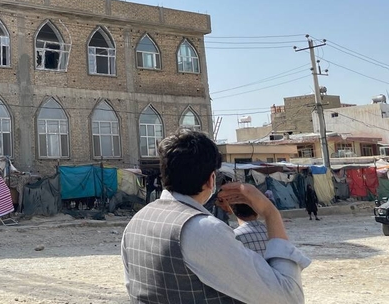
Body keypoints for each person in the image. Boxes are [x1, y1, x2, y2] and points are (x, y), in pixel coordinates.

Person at [121, 129, 311, 303]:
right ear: (211, 179)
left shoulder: (137, 222)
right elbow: (288, 296)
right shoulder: (202, 230)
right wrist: (271, 213)